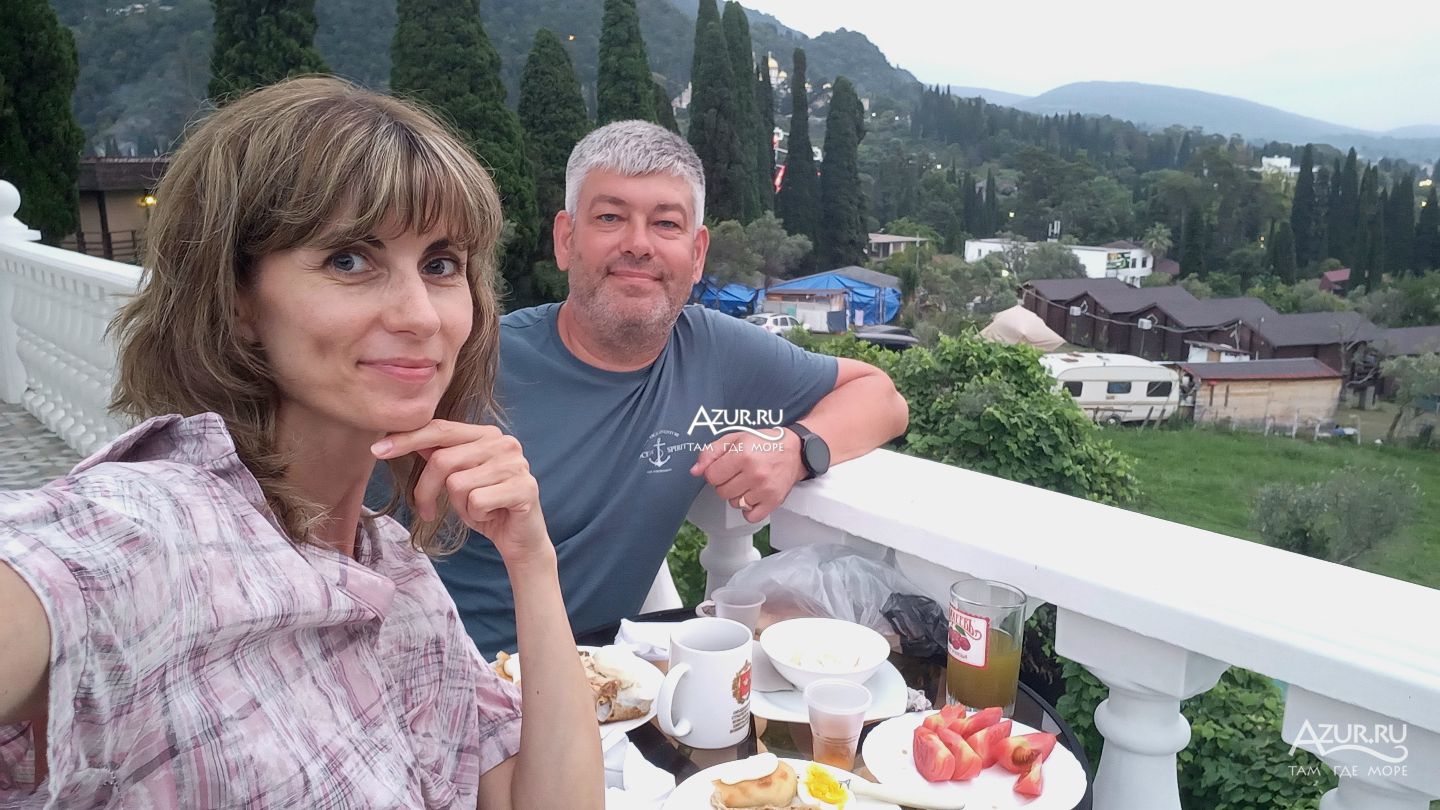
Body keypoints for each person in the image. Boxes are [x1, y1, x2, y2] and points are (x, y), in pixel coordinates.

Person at [0, 77, 602, 809]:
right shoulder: (158, 531)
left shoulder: (399, 577)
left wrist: (532, 561)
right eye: (349, 260)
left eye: (440, 265)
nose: (421, 316)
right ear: (236, 300)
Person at [401, 120, 908, 656]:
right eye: (610, 217)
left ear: (697, 253)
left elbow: (881, 397)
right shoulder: (469, 362)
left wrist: (795, 448)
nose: (638, 244)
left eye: (666, 223)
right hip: (451, 675)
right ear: (566, 239)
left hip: (607, 677)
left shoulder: (714, 352)